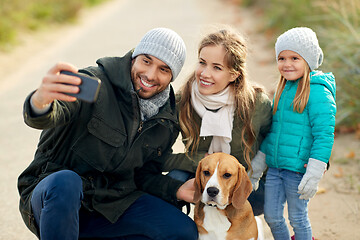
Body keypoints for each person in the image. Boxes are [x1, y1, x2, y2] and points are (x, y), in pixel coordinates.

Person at [17, 27, 198, 240]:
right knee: (67, 181)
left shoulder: (166, 119)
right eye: (146, 61)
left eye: (163, 69)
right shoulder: (94, 83)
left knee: (182, 232)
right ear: (134, 58)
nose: (150, 75)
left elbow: (144, 176)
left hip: (111, 205)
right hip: (56, 200)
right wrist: (39, 102)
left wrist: (175, 189)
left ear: (171, 77)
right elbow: (54, 112)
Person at [159, 27, 273, 216]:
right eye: (202, 63)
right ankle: (182, 229)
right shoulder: (182, 102)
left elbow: (276, 136)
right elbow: (157, 156)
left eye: (217, 67)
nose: (204, 73)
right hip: (202, 178)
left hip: (242, 183)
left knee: (269, 194)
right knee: (174, 180)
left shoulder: (255, 103)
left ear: (234, 74)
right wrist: (197, 161)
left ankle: (242, 220)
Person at [251, 27, 336, 239]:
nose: (287, 64)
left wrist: (315, 170)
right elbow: (274, 131)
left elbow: (324, 135)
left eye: (294, 58)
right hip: (276, 169)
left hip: (298, 170)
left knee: (297, 218)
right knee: (272, 217)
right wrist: (259, 163)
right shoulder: (284, 89)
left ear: (308, 60)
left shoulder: (319, 92)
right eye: (281, 58)